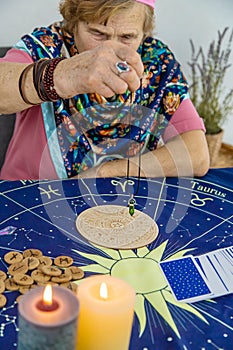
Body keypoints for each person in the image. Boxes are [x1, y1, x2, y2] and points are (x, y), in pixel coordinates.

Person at [0, 0, 209, 180]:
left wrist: (106, 172)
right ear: (73, 24)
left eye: (127, 37)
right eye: (97, 33)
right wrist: (64, 75)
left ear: (144, 34)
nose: (110, 51)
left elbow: (196, 155)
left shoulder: (156, 60)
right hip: (28, 196)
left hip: (114, 202)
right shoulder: (46, 46)